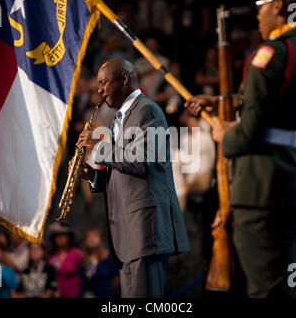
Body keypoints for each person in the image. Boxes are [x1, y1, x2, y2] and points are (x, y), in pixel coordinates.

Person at [186, 0, 296, 297]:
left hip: (265, 190)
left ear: (280, 5)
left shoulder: (270, 54)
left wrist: (223, 133)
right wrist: (221, 103)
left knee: (268, 287)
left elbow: (247, 135)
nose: (257, 12)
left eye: (262, 4)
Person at [76, 58, 190, 298]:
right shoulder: (122, 117)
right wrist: (94, 175)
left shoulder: (147, 110)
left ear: (124, 79)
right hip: (129, 236)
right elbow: (126, 169)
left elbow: (144, 160)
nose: (99, 90)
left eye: (104, 82)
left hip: (145, 232)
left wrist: (98, 148)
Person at [80, 229, 120, 298]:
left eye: (94, 236)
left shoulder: (108, 257)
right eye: (88, 236)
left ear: (100, 240)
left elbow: (117, 278)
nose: (91, 238)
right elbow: (81, 279)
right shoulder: (83, 259)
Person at [47, 222, 82, 298]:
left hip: (72, 293)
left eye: (63, 235)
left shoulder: (76, 253)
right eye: (57, 235)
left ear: (69, 237)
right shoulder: (51, 255)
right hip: (54, 294)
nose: (60, 238)